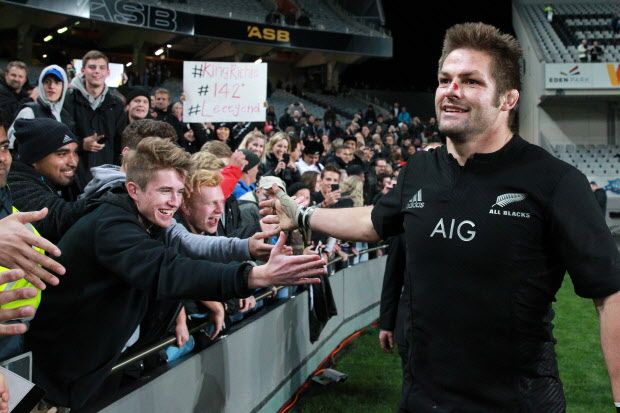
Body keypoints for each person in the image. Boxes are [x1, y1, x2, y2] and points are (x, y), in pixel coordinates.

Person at [263, 22, 620, 412]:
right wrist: (300, 214)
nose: (452, 91)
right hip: (422, 400)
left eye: (471, 81)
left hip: (517, 403)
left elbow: (610, 292)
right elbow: (373, 222)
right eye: (444, 79)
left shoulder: (555, 181)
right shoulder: (420, 169)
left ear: (508, 99)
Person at [25, 137, 325, 410]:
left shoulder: (146, 219)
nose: (174, 202)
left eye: (180, 192)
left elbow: (185, 252)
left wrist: (246, 250)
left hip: (80, 373)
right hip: (52, 382)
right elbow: (168, 270)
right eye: (165, 191)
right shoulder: (112, 224)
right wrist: (256, 277)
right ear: (133, 189)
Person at [8, 118, 86, 243]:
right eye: (62, 154)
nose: (73, 162)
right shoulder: (15, 183)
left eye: (75, 152)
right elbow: (57, 219)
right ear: (34, 158)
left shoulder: (64, 179)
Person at [63, 50, 127, 182]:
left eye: (101, 68)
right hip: (74, 175)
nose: (97, 71)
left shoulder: (117, 105)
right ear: (83, 70)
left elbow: (119, 142)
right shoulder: (67, 100)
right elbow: (62, 135)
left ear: (108, 72)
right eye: (92, 67)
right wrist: (81, 144)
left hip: (107, 177)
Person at [8, 65, 74, 149]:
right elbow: (11, 145)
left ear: (63, 87)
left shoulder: (65, 114)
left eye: (57, 82)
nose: (51, 86)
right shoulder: (29, 111)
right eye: (47, 82)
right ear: (41, 85)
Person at [0, 61, 34, 130]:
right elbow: (11, 116)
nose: (16, 79)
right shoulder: (1, 91)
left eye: (20, 76)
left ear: (25, 79)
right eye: (13, 75)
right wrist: (31, 98)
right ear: (6, 75)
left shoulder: (24, 93)